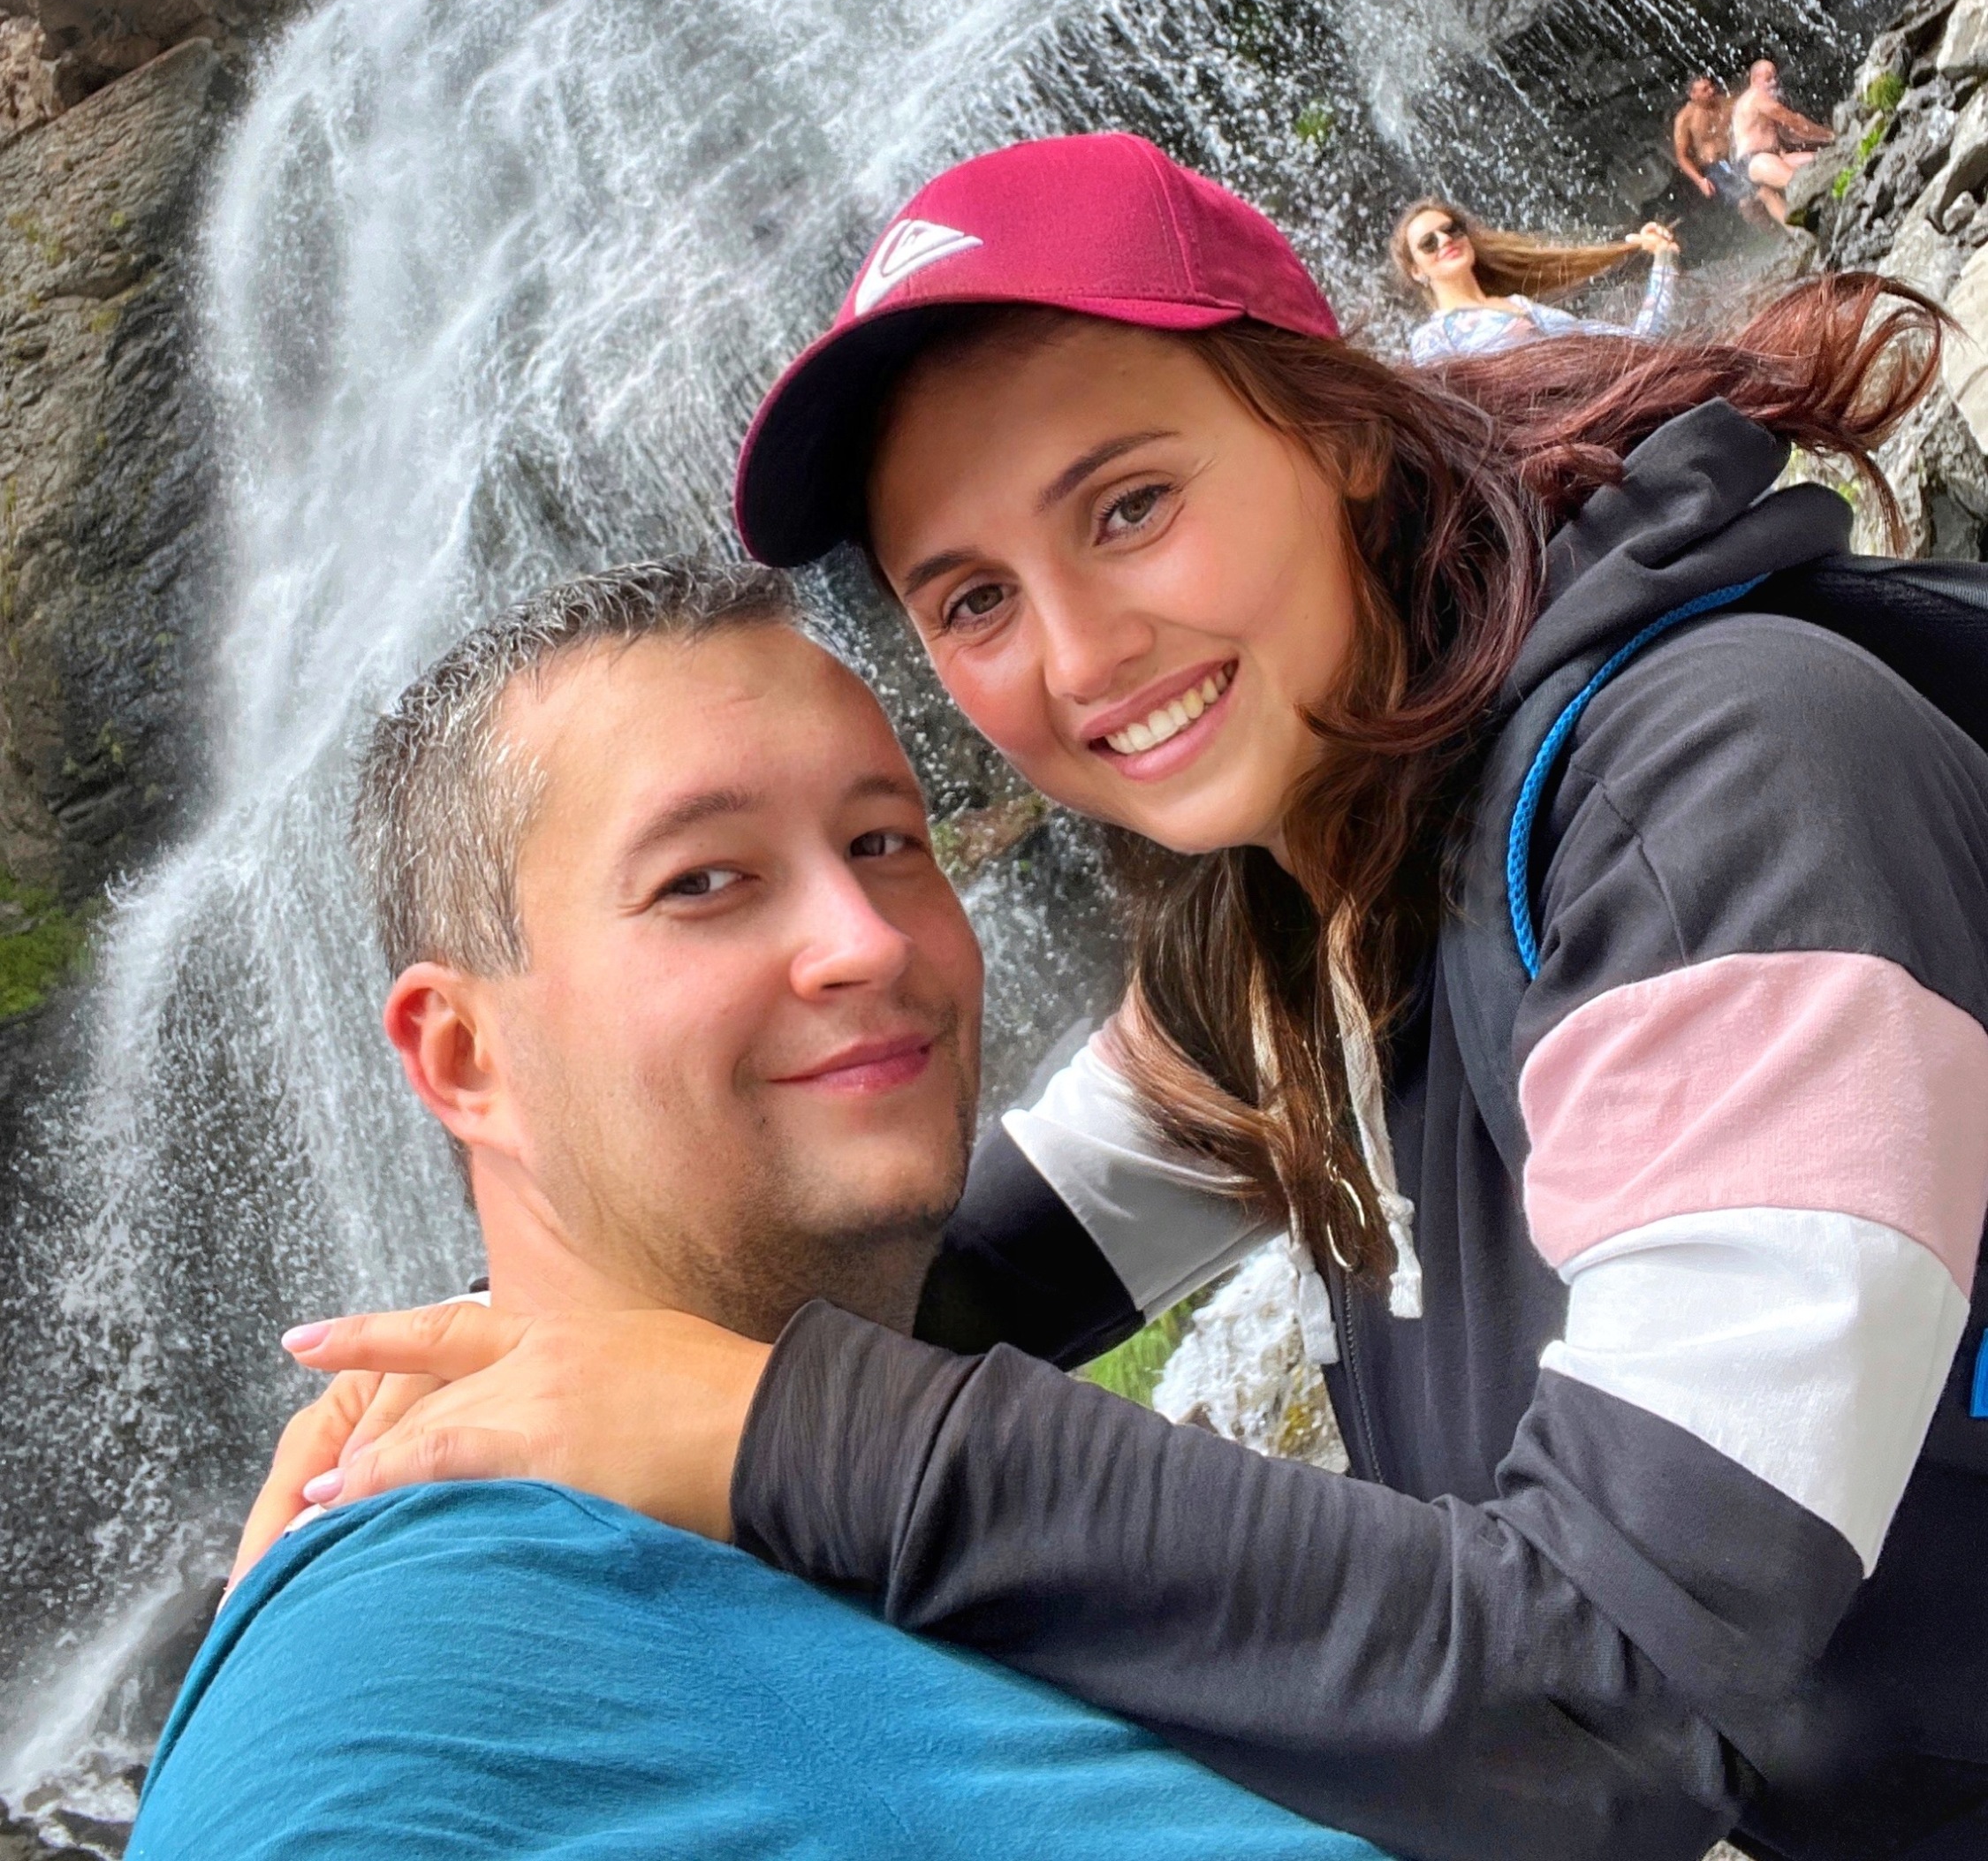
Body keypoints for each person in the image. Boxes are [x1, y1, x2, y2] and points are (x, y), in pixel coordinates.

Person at [247, 137, 1988, 1861]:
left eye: (1130, 506)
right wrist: (488, 1372)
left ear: (1341, 432)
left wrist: (769, 1436)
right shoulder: (1295, 923)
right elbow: (945, 1264)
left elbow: (1621, 1689)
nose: (1079, 657)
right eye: (975, 600)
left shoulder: (1722, 793)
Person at [136, 561, 1384, 1861]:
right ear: (462, 1058)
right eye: (701, 881)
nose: (867, 940)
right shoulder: (394, 1683)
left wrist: (760, 1413)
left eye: (884, 842)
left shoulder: (827, 1457)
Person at [1392, 195, 1678, 362]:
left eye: (1451, 229)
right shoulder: (1432, 339)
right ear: (1416, 270)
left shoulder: (1520, 307)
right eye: (1428, 243)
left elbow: (1639, 344)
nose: (1445, 240)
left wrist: (1664, 259)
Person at [1727, 55, 1833, 224]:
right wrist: (1831, 135)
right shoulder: (1756, 96)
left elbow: (1791, 134)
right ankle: (1824, 221)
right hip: (1755, 161)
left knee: (1822, 160)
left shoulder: (1757, 100)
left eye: (1775, 77)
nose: (1774, 83)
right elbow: (1796, 123)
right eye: (1768, 78)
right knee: (1802, 183)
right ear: (1754, 79)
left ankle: (1803, 232)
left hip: (1771, 157)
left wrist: (1825, 141)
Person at [1671, 72, 1753, 211]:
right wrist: (1700, 181)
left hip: (1736, 156)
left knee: (1763, 191)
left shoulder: (1726, 103)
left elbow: (1751, 110)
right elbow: (1681, 156)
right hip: (1714, 168)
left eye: (1711, 86)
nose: (1711, 91)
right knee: (1746, 203)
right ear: (1693, 95)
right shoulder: (1685, 118)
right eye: (1705, 90)